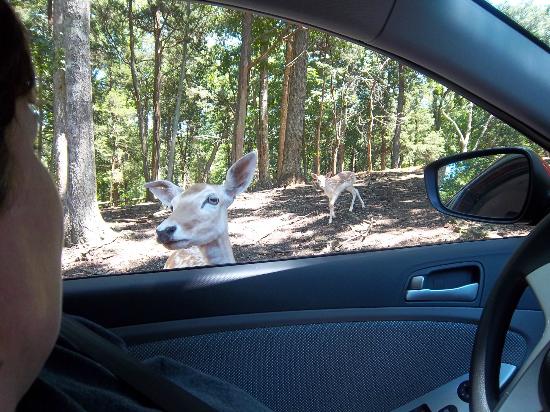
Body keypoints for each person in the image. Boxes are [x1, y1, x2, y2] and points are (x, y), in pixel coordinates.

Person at [0, 2, 271, 411]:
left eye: (211, 200)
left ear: (236, 189)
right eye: (31, 141)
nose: (174, 219)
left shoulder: (75, 347)